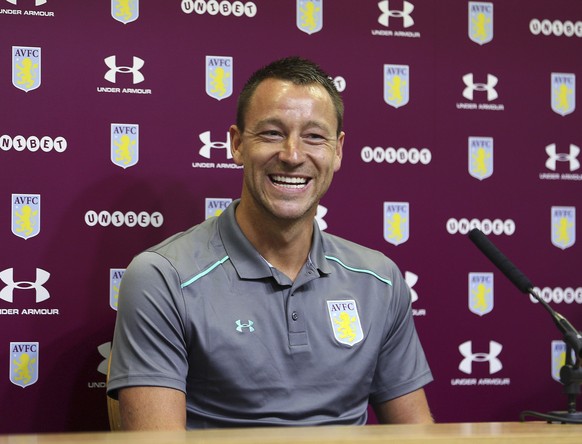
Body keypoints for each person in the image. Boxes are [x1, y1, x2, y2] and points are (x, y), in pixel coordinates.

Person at [107, 56, 433, 430]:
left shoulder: (380, 278)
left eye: (314, 136)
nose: (293, 155)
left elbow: (416, 434)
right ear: (236, 144)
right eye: (272, 133)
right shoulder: (162, 277)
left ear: (338, 150)